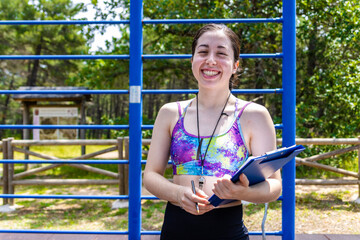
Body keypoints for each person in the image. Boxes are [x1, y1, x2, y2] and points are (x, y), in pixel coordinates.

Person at [143, 23, 282, 240]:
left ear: (235, 65)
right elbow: (150, 176)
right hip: (174, 229)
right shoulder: (170, 113)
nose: (210, 60)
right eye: (203, 51)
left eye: (221, 53)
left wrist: (242, 192)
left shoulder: (254, 115)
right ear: (192, 60)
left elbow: (274, 185)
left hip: (228, 230)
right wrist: (179, 194)